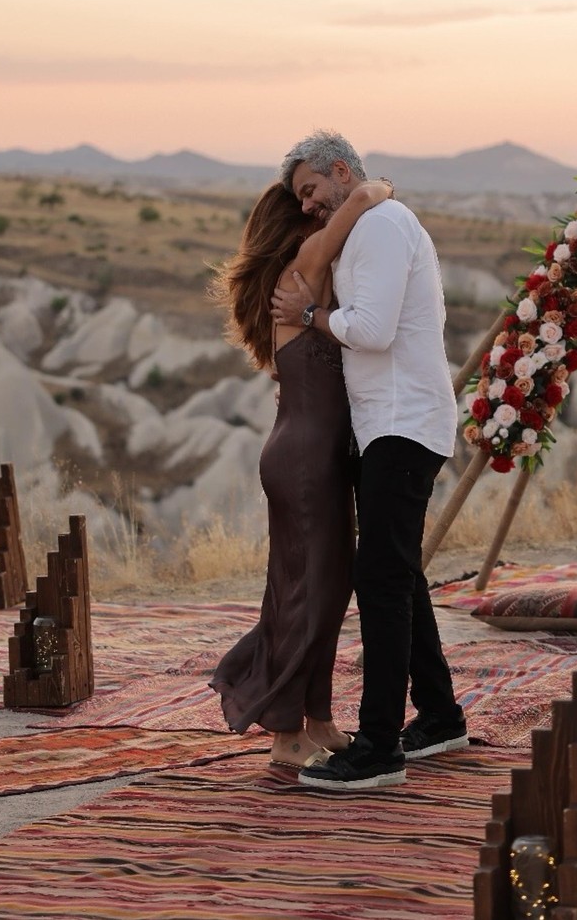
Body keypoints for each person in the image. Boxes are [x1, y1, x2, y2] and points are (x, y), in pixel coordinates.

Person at [271, 130, 467, 791]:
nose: (307, 206)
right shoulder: (371, 222)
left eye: (310, 191)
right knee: (398, 573)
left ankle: (380, 743)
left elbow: (372, 328)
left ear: (336, 171)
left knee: (380, 577)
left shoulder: (382, 224)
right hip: (389, 424)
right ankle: (439, 714)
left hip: (403, 424)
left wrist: (314, 313)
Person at [208, 175, 393, 770]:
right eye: (308, 206)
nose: (320, 213)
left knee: (327, 589)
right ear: (294, 223)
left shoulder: (309, 284)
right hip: (305, 460)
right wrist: (374, 189)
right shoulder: (301, 269)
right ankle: (284, 732)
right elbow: (363, 198)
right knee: (304, 594)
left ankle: (317, 718)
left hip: (316, 456)